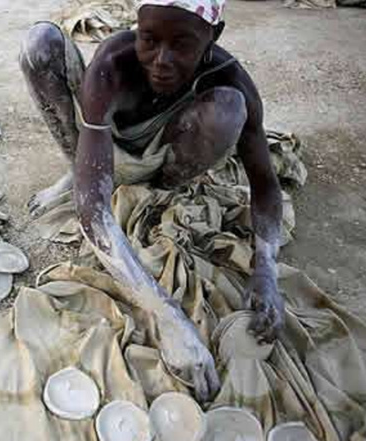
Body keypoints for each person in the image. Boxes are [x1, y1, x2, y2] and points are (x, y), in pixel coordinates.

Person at [20, 0, 285, 402]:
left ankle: (156, 191)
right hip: (100, 149)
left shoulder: (229, 76)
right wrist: (166, 316)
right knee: (40, 41)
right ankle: (79, 170)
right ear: (136, 27)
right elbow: (93, 213)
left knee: (230, 108)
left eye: (181, 44)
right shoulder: (112, 63)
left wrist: (266, 270)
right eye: (149, 39)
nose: (161, 59)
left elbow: (265, 184)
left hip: (165, 159)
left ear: (214, 35)